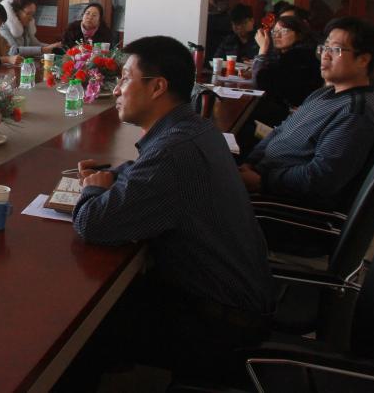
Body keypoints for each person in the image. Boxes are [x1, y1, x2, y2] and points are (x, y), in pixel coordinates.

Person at [57, 36, 272, 388]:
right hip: (232, 295)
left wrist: (94, 189)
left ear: (157, 87)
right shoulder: (193, 129)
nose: (117, 89)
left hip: (220, 322)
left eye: (126, 78)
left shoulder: (174, 152)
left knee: (75, 324)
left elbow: (93, 223)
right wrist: (114, 176)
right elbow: (147, 172)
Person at [238, 17, 374, 211]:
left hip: (282, 202)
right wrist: (250, 163)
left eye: (336, 49)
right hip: (263, 177)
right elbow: (281, 130)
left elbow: (321, 177)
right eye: (325, 47)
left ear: (363, 60)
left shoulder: (354, 113)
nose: (325, 55)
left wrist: (261, 180)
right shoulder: (324, 93)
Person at [252, 14, 323, 109]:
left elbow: (259, 84)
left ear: (299, 35)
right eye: (274, 31)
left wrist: (263, 49)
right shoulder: (289, 55)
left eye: (284, 31)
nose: (277, 35)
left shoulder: (299, 57)